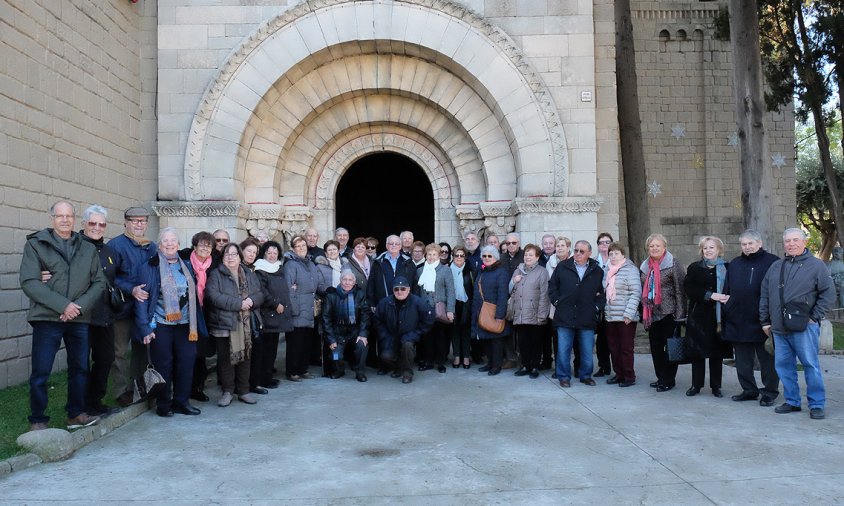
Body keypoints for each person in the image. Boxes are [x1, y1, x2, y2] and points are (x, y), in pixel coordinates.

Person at [20, 201, 106, 431]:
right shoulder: (36, 245)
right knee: (41, 370)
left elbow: (99, 282)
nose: (65, 220)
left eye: (69, 216)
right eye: (60, 216)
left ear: (74, 219)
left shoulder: (87, 248)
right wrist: (63, 305)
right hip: (47, 317)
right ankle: (38, 419)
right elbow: (29, 282)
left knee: (79, 368)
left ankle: (75, 414)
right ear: (52, 219)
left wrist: (77, 306)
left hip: (78, 318)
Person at [760, 228, 835, 420]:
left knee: (810, 365)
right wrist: (765, 321)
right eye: (787, 241)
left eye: (795, 240)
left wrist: (815, 317)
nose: (791, 244)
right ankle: (792, 401)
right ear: (783, 243)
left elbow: (828, 294)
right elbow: (765, 295)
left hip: (805, 327)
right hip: (778, 327)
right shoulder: (776, 267)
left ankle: (817, 404)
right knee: (784, 367)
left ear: (804, 242)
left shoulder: (817, 266)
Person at [134, 228, 207, 417]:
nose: (169, 243)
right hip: (161, 324)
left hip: (186, 325)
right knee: (164, 364)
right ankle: (164, 404)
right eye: (165, 240)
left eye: (173, 240)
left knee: (186, 362)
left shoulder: (185, 265)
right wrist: (144, 328)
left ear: (178, 244)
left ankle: (182, 402)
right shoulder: (149, 266)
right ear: (159, 245)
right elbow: (142, 299)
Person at [723, 230, 780, 406]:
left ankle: (770, 392)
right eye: (744, 244)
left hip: (763, 321)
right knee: (742, 361)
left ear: (759, 243)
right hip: (738, 319)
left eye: (750, 243)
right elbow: (727, 289)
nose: (747, 247)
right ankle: (749, 390)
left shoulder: (773, 262)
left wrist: (769, 319)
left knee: (767, 361)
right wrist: (729, 308)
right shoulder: (735, 263)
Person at [108, 206, 157, 407]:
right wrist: (132, 289)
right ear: (126, 222)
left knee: (142, 350)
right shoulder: (116, 245)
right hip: (122, 308)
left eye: (143, 221)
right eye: (134, 220)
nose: (139, 224)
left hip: (144, 310)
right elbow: (109, 278)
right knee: (118, 352)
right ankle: (122, 391)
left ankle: (140, 388)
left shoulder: (151, 247)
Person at [205, 243, 264, 406]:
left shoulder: (249, 273)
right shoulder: (216, 274)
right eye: (227, 254)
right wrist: (239, 304)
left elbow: (260, 293)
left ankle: (244, 391)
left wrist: (251, 301)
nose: (230, 257)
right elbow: (213, 296)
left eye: (234, 254)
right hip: (224, 323)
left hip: (244, 324)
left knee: (245, 357)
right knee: (225, 359)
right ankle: (228, 391)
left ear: (240, 256)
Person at [78, 205, 120, 416]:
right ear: (83, 224)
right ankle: (81, 406)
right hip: (81, 315)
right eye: (92, 223)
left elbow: (118, 277)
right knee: (80, 363)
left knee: (105, 359)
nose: (97, 227)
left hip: (105, 315)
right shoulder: (74, 246)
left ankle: (96, 401)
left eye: (101, 224)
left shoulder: (109, 251)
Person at [548, 240, 605, 387]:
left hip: (586, 316)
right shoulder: (563, 266)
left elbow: (601, 294)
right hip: (565, 315)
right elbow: (552, 286)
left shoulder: (597, 270)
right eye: (576, 250)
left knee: (587, 350)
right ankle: (564, 377)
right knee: (563, 350)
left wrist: (596, 308)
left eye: (582, 251)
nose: (578, 254)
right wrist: (556, 302)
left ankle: (585, 375)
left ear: (589, 254)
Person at [640, 233, 687, 392]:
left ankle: (668, 379)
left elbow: (681, 291)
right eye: (651, 246)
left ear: (664, 247)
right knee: (656, 348)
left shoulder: (673, 264)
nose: (654, 248)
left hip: (669, 313)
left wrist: (680, 316)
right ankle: (660, 377)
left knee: (670, 348)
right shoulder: (645, 266)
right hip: (652, 314)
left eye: (657, 246)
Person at [683, 236, 729, 397]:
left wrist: (727, 296)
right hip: (699, 316)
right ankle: (696, 385)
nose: (708, 251)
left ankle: (716, 386)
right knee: (698, 353)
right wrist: (710, 295)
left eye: (712, 248)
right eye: (705, 248)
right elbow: (688, 289)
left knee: (717, 353)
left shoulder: (727, 268)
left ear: (719, 250)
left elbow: (731, 288)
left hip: (719, 318)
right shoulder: (695, 268)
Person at [178, 231, 218, 403]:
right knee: (186, 352)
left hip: (205, 312)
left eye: (208, 245)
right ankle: (182, 388)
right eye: (201, 244)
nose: (204, 248)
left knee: (200, 353)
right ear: (194, 246)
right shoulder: (183, 261)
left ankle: (197, 387)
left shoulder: (214, 265)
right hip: (186, 311)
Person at [374, 277, 434, 383]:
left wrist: (415, 334)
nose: (399, 291)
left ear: (408, 289)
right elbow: (377, 320)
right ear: (393, 290)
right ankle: (399, 367)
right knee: (385, 356)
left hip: (409, 337)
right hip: (391, 337)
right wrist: (384, 335)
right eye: (396, 289)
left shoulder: (418, 302)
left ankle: (407, 373)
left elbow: (429, 319)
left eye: (403, 289)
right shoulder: (385, 302)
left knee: (407, 345)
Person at [283, 235, 325, 381]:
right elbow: (289, 288)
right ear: (293, 249)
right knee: (295, 342)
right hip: (298, 308)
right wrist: (294, 310)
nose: (301, 248)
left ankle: (303, 369)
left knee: (306, 342)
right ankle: (292, 371)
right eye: (298, 246)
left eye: (303, 246)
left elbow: (317, 284)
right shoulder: (291, 265)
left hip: (309, 308)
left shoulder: (310, 264)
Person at [253, 240, 292, 390]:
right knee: (266, 350)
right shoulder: (260, 269)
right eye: (269, 253)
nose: (272, 255)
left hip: (278, 315)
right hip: (268, 313)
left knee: (272, 349)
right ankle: (263, 379)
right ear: (264, 253)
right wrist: (275, 304)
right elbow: (262, 291)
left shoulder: (278, 268)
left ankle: (268, 376)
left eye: (275, 253)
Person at [602, 243, 641, 387]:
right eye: (611, 254)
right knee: (614, 348)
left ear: (623, 255)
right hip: (611, 315)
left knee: (625, 348)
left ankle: (629, 376)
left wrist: (629, 314)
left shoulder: (630, 269)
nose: (613, 256)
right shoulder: (607, 270)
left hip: (626, 316)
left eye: (616, 253)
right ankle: (618, 374)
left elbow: (635, 292)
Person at [509, 244, 550, 379]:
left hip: (535, 313)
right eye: (526, 254)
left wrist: (542, 315)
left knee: (535, 342)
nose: (527, 257)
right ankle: (525, 365)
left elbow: (544, 295)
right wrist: (514, 281)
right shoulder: (518, 270)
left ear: (537, 257)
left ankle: (534, 366)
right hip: (520, 313)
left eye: (531, 255)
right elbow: (510, 290)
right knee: (523, 342)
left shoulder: (542, 272)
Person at [322, 270, 371, 382]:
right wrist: (331, 339)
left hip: (355, 330)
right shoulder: (331, 296)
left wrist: (363, 334)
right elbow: (326, 319)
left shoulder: (360, 294)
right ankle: (339, 370)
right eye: (344, 279)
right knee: (335, 354)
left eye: (350, 280)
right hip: (338, 331)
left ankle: (360, 372)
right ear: (340, 281)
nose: (347, 282)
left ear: (354, 282)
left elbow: (365, 316)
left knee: (361, 345)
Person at [414, 243, 456, 373]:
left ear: (438, 255)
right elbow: (417, 291)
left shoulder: (445, 270)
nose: (431, 257)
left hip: (440, 308)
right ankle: (428, 361)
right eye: (429, 254)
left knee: (441, 337)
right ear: (426, 255)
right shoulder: (420, 270)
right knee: (427, 337)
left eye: (434, 254)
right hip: (425, 309)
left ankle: (441, 362)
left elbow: (451, 291)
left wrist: (450, 310)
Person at [471, 246, 511, 376]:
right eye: (484, 256)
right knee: (486, 339)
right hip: (482, 311)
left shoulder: (501, 272)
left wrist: (500, 315)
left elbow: (503, 295)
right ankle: (489, 363)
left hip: (494, 311)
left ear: (496, 257)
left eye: (490, 256)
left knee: (496, 340)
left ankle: (496, 365)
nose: (487, 258)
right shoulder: (482, 271)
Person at [544, 235, 571, 373]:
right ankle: (559, 368)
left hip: (572, 306)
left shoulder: (574, 262)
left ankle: (576, 366)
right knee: (557, 338)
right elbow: (550, 284)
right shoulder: (550, 263)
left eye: (562, 246)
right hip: (556, 306)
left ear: (568, 248)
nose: (559, 248)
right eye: (558, 246)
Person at [592, 232, 614, 377]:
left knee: (612, 338)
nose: (604, 245)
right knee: (600, 339)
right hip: (598, 305)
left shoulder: (618, 261)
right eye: (601, 242)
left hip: (614, 305)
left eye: (607, 242)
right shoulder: (593, 262)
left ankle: (619, 368)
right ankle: (604, 366)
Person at [450, 246, 474, 368]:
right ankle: (456, 356)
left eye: (461, 255)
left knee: (465, 331)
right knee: (455, 331)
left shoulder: (470, 270)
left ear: (465, 257)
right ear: (453, 257)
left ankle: (465, 357)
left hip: (466, 304)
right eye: (456, 255)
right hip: (453, 303)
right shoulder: (448, 270)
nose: (459, 257)